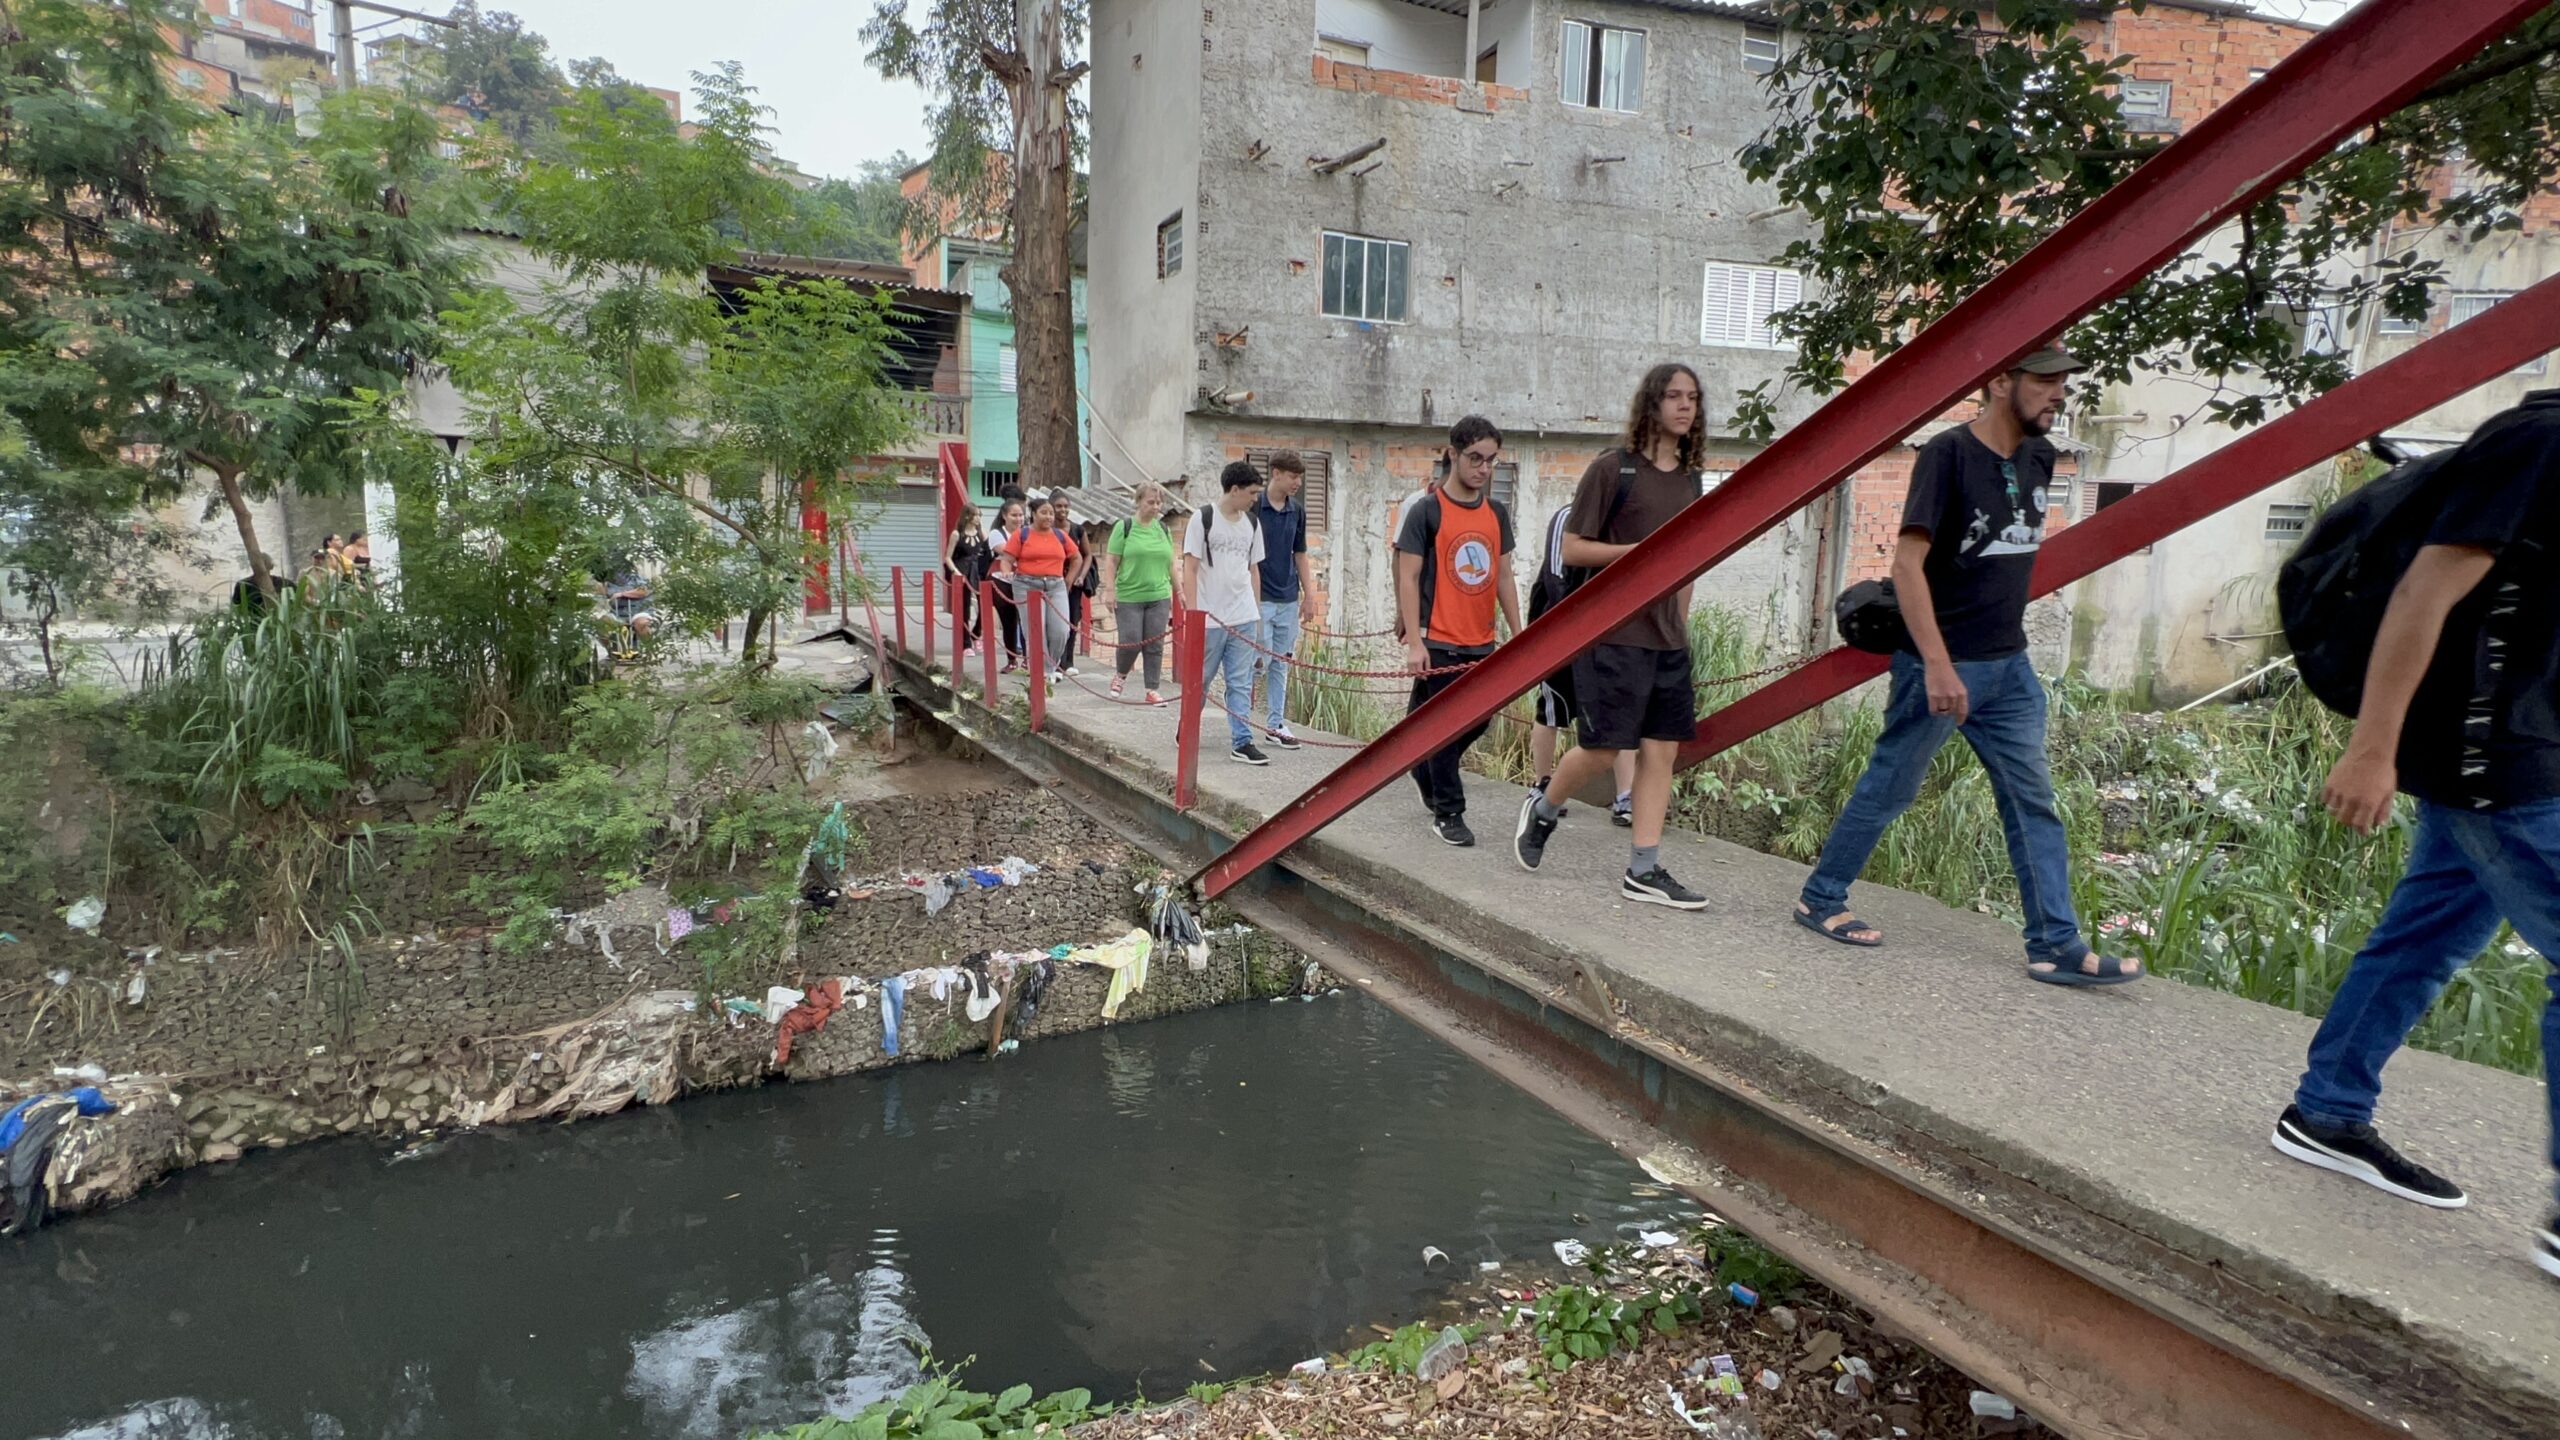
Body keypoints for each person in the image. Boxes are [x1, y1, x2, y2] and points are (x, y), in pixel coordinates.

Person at [2270, 390, 2560, 1280]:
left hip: (2512, 746)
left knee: (2427, 935)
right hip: (2490, 758)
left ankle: (2327, 1110)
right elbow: (2424, 591)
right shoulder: (2544, 439)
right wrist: (2370, 750)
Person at [1790, 348, 2136, 983]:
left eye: (2063, 380)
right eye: (2045, 380)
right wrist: (1940, 665)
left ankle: (2054, 944)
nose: (2059, 393)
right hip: (1941, 667)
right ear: (1999, 382)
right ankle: (1821, 897)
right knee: (1892, 785)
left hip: (2010, 669)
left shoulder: (2040, 457)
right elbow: (1906, 566)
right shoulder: (1945, 455)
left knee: (2033, 801)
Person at [1510, 363, 1711, 910]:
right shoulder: (1612, 471)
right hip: (1614, 636)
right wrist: (1637, 557)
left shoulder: (1691, 480)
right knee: (1602, 750)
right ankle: (1545, 808)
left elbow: (1686, 564)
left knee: (1661, 753)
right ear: (1651, 404)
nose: (1685, 406)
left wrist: (1681, 626)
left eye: (1692, 398)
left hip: (1666, 640)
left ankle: (1643, 869)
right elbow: (1573, 547)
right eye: (1673, 396)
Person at [1396, 417, 1522, 847]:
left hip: (1481, 640)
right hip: (1439, 641)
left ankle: (1421, 765)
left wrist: (1520, 634)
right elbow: (1408, 577)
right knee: (1446, 726)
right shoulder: (1426, 511)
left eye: (1490, 461)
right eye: (1475, 459)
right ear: (1453, 454)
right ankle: (1449, 811)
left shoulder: (1496, 513)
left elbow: (1504, 576)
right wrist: (1415, 642)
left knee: (1475, 720)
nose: (1483, 469)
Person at [1526, 500, 1638, 817]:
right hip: (1560, 627)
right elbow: (1555, 577)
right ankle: (1542, 783)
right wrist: (1574, 631)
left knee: (1619, 711)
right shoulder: (1567, 516)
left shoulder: (1622, 524)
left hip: (1610, 633)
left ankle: (1625, 796)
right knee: (1552, 707)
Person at [1181, 462, 1269, 765]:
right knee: (1201, 680)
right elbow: (1189, 568)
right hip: (1209, 618)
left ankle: (1242, 741)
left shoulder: (1253, 524)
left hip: (1242, 615)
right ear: (1234, 490)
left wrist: (1256, 614)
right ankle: (1188, 726)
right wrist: (1193, 614)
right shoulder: (1202, 519)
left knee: (1240, 681)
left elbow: (1254, 570)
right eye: (1252, 492)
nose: (1255, 499)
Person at [1252, 451, 1318, 750]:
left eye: (1300, 477)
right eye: (1293, 476)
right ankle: (1238, 716)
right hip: (1259, 598)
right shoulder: (1254, 506)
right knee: (1257, 662)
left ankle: (1276, 724)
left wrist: (1310, 595)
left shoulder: (1298, 511)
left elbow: (1300, 553)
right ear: (1276, 473)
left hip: (1288, 598)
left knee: (1282, 663)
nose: (1298, 482)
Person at [1105, 483, 1178, 703]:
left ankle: (1152, 689)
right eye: (1150, 502)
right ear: (1138, 502)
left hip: (1159, 595)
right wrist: (1110, 590)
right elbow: (1111, 560)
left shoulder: (1163, 530)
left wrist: (1179, 590)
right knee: (1131, 641)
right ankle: (1121, 674)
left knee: (1154, 643)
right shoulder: (1124, 527)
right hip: (1129, 595)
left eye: (1159, 503)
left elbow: (1171, 563)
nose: (1156, 507)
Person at [1005, 495, 1082, 681]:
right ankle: (1044, 674)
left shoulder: (1060, 535)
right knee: (1036, 630)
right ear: (1033, 514)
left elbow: (1076, 558)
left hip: (1056, 586)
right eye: (1044, 513)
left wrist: (1069, 580)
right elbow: (1007, 560)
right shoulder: (1021, 535)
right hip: (1027, 585)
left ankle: (1050, 666)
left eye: (1051, 513)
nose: (1049, 517)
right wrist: (1007, 572)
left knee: (1061, 630)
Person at [945, 505, 994, 654]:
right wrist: (955, 571)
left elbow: (988, 552)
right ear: (967, 516)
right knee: (964, 609)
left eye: (980, 515)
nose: (979, 518)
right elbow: (947, 557)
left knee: (985, 606)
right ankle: (965, 643)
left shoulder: (981, 533)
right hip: (962, 570)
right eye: (976, 515)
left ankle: (976, 634)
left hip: (977, 571)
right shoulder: (957, 534)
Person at [988, 496, 1028, 672]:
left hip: (1025, 580)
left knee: (1027, 620)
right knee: (1009, 621)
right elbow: (1007, 551)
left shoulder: (1028, 532)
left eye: (1021, 515)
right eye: (1014, 515)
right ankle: (1012, 660)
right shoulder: (997, 533)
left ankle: (1028, 659)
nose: (1018, 519)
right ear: (1004, 516)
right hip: (1001, 581)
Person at [607, 565, 657, 642]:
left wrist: (622, 594)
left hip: (639, 610)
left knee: (641, 623)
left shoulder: (637, 579)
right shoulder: (607, 583)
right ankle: (612, 651)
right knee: (601, 624)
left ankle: (649, 649)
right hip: (617, 613)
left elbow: (644, 590)